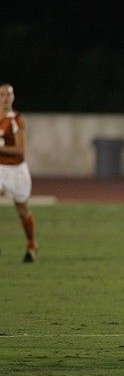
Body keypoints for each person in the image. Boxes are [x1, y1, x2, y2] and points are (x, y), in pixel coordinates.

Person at [0, 84, 37, 263]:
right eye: (2, 94)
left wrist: (1, 148)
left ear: (13, 98)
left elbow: (20, 151)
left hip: (16, 171)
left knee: (22, 209)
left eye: (9, 94)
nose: (5, 97)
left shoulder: (16, 119)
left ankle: (31, 244)